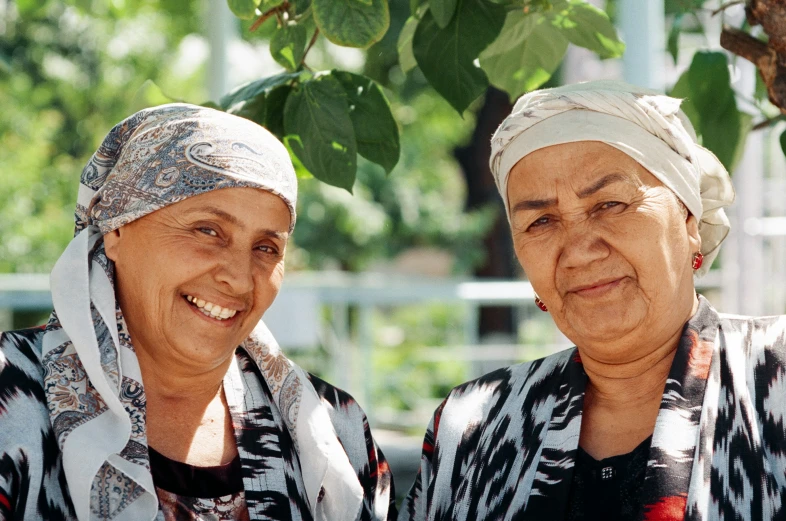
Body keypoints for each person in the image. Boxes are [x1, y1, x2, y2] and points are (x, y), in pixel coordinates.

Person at [399, 80, 786, 521]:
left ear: (689, 219)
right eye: (541, 220)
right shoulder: (472, 425)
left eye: (610, 204)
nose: (580, 249)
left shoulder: (775, 377)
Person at [0, 104, 395, 521]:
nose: (240, 280)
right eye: (208, 231)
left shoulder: (335, 430)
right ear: (116, 230)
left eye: (266, 248)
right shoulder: (13, 401)